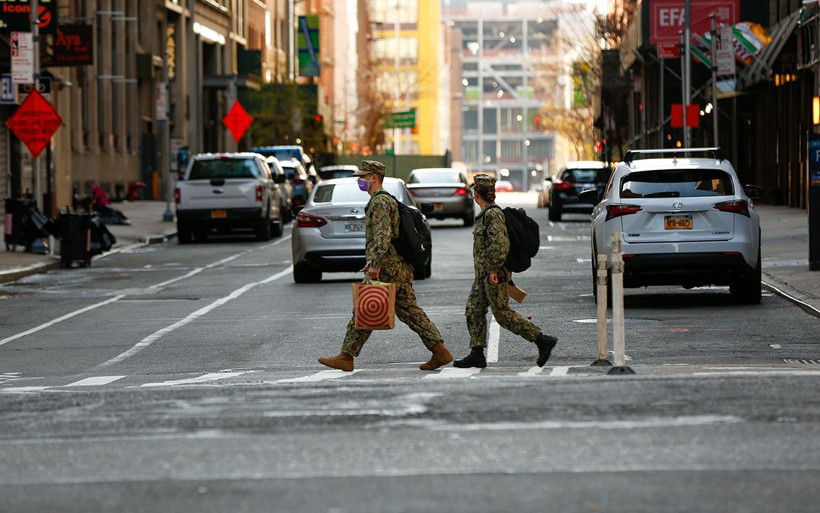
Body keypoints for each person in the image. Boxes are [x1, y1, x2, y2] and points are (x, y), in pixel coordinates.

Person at [318, 160, 453, 372]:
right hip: (397, 265)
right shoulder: (385, 200)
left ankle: (346, 356)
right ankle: (439, 350)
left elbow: (382, 235)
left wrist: (375, 264)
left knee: (363, 308)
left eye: (364, 177)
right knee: (409, 311)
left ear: (374, 177)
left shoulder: (380, 202)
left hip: (388, 266)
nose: (361, 180)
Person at [454, 173, 558, 368]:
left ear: (476, 194)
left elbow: (501, 244)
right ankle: (477, 353)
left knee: (502, 314)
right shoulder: (486, 214)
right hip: (483, 275)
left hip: (494, 274)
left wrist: (494, 269)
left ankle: (542, 340)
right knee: (473, 309)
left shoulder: (492, 215)